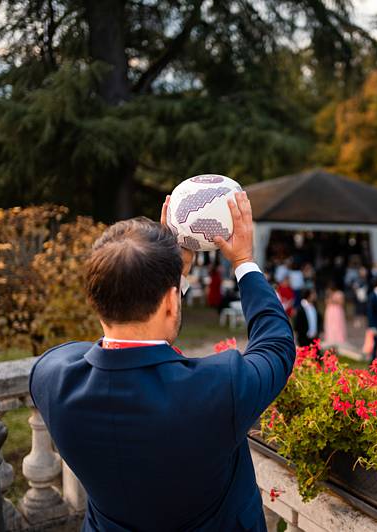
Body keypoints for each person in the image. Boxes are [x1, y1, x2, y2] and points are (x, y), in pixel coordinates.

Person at [31, 191, 294, 532]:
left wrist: (168, 275)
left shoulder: (50, 377)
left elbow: (129, 346)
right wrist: (244, 261)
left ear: (96, 300)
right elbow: (276, 345)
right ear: (172, 300)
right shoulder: (221, 387)